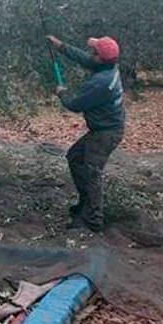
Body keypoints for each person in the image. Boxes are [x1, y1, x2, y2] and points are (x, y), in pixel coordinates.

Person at [46, 34, 126, 232]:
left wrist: (61, 92)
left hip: (105, 133)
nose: (91, 52)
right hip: (104, 129)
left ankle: (93, 221)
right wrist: (61, 47)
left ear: (100, 58)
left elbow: (75, 104)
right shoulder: (109, 66)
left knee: (92, 173)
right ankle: (85, 205)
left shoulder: (100, 83)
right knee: (75, 157)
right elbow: (86, 59)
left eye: (94, 50)